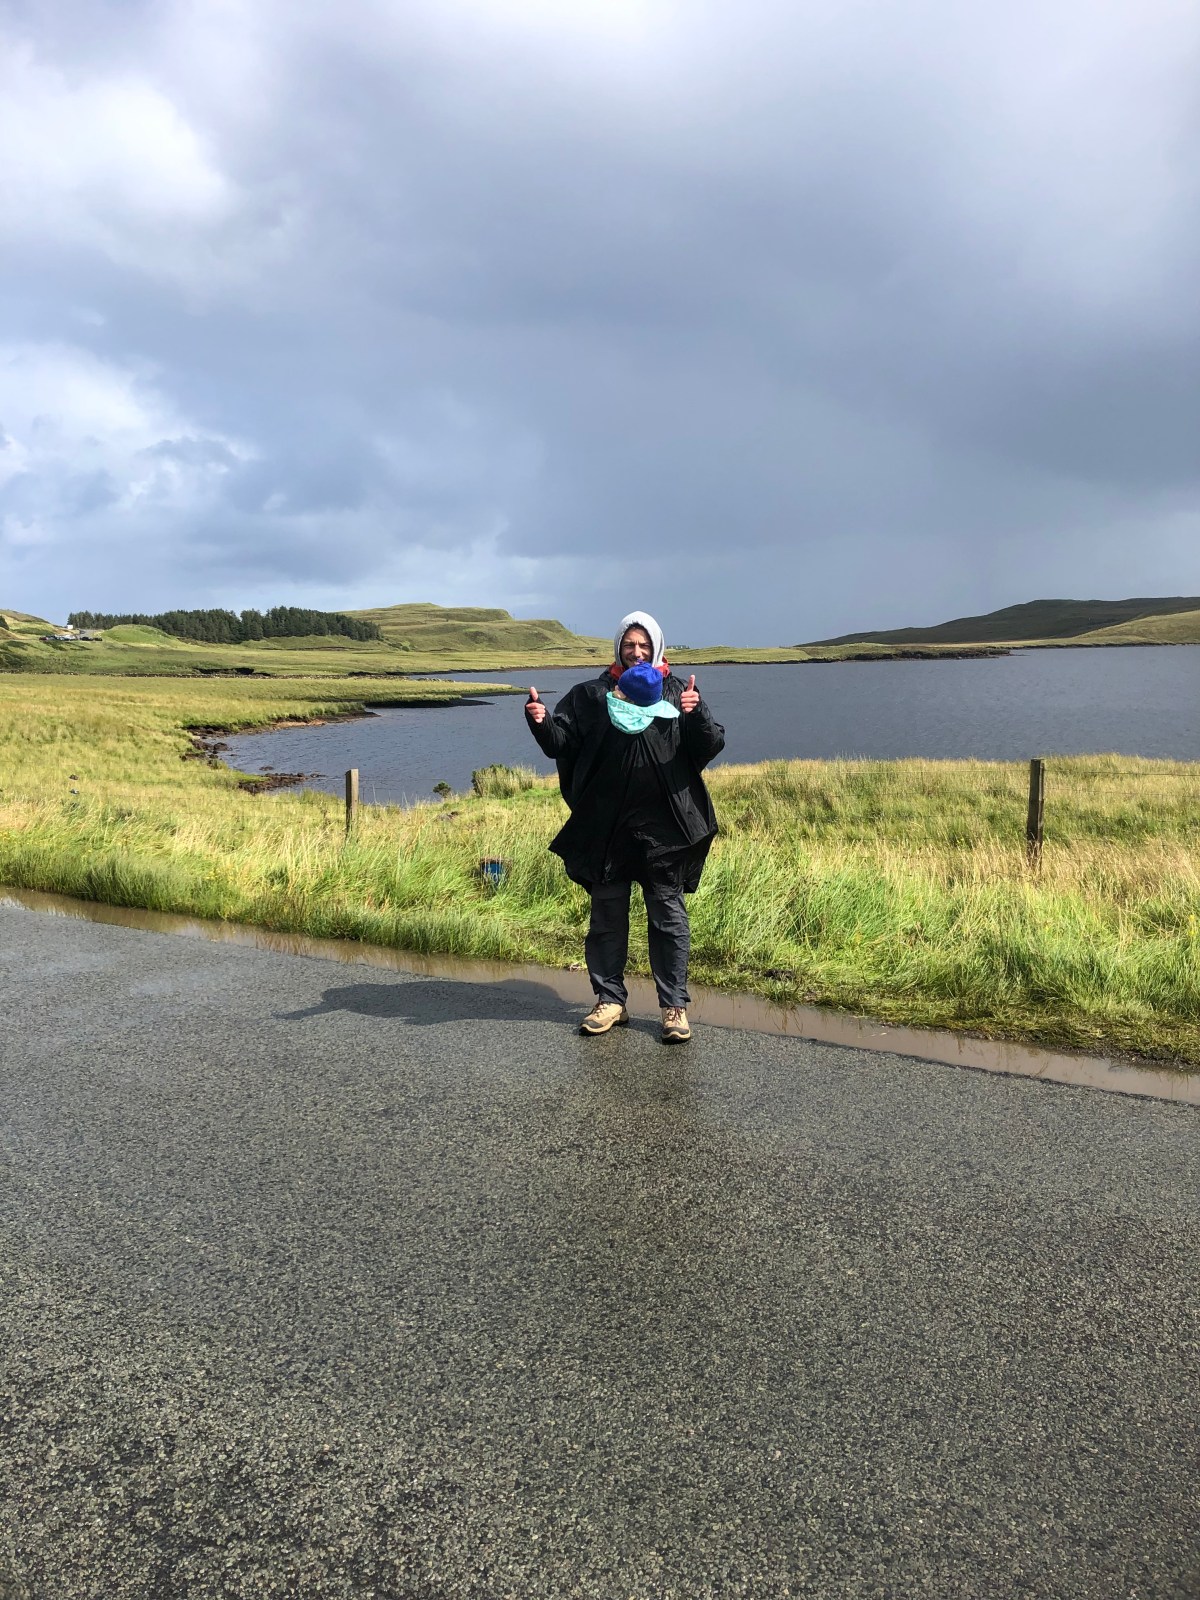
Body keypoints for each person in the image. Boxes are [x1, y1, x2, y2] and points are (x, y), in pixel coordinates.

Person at [525, 610, 724, 1043]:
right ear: (618, 648)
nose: (637, 652)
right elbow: (561, 743)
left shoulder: (678, 692)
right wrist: (540, 722)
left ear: (657, 648)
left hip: (665, 829)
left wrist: (696, 714)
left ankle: (673, 1008)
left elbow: (709, 746)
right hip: (607, 827)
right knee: (607, 918)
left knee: (668, 918)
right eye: (629, 645)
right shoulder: (591, 695)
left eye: (644, 645)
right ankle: (610, 1000)